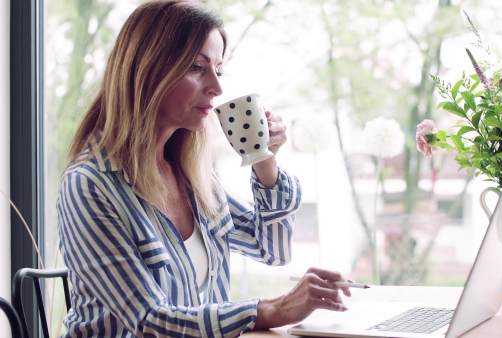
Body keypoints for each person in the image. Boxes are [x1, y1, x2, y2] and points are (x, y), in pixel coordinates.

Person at [56, 1, 351, 337]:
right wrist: (272, 309)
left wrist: (265, 159)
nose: (217, 86)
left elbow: (272, 249)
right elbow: (150, 320)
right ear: (148, 70)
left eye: (218, 70)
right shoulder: (89, 186)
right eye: (197, 67)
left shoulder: (190, 176)